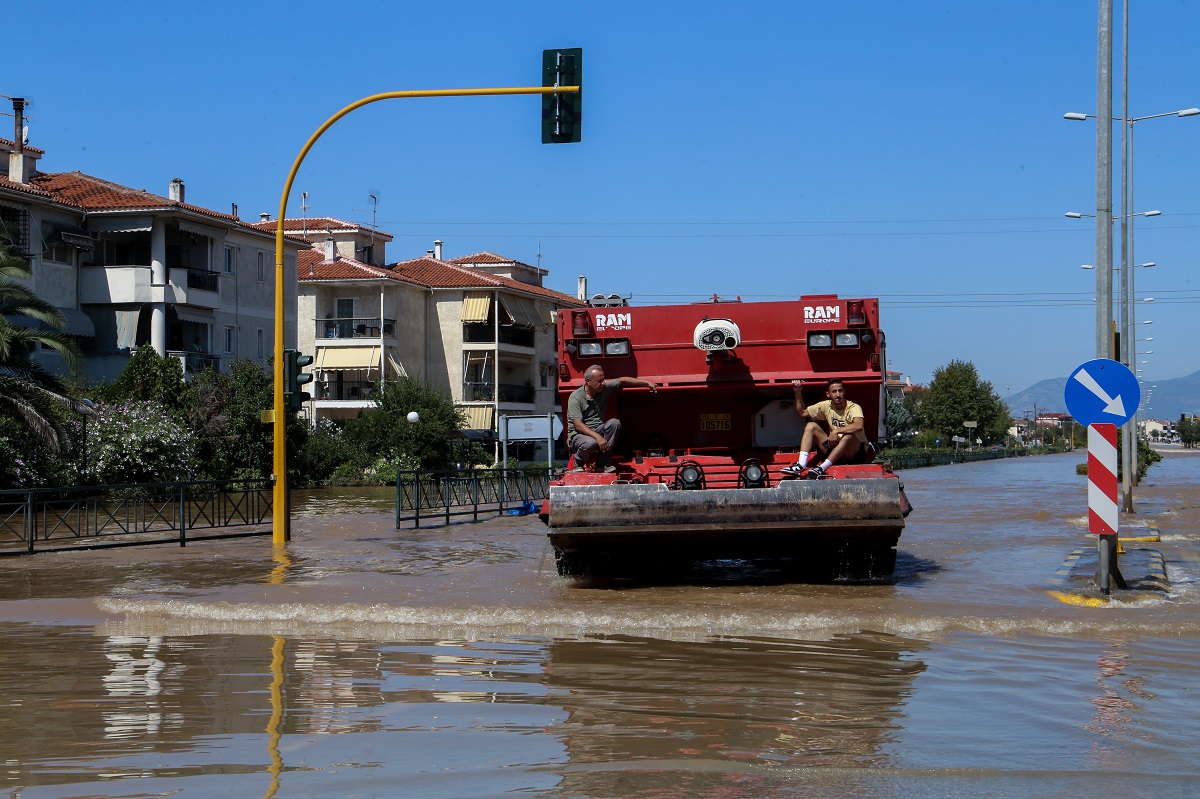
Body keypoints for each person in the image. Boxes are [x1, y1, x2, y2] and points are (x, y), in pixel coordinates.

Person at [567, 364, 657, 472]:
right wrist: (598, 437)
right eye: (599, 381)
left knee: (615, 423)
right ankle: (578, 463)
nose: (603, 383)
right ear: (588, 381)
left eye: (603, 380)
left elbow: (622, 380)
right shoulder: (575, 397)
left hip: (597, 429)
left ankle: (602, 464)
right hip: (580, 435)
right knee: (591, 443)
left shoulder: (603, 388)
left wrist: (647, 383)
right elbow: (578, 425)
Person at [781, 377, 869, 479]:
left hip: (854, 454)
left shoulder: (853, 407)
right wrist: (797, 391)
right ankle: (800, 464)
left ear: (844, 392)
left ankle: (822, 468)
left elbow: (859, 425)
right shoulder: (826, 406)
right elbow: (802, 412)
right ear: (828, 394)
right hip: (835, 450)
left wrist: (836, 431)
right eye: (834, 391)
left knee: (848, 437)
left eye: (840, 391)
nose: (838, 394)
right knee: (811, 426)